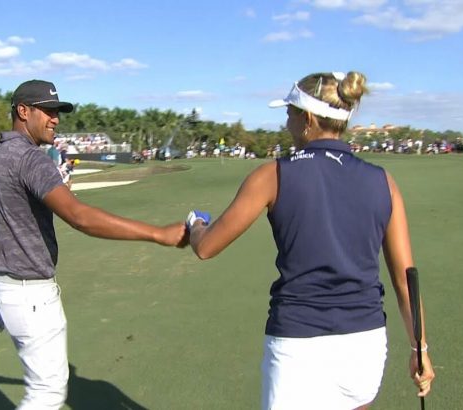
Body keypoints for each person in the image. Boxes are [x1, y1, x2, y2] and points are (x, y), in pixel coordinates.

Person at [185, 71, 435, 410]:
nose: (286, 123)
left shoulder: (272, 175)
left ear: (310, 119)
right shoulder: (383, 181)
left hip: (298, 346)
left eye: (289, 113)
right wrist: (420, 350)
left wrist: (196, 223)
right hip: (364, 345)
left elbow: (206, 247)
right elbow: (406, 280)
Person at [0, 79, 187, 410]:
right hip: (29, 295)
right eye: (47, 111)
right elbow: (80, 217)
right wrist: (158, 233)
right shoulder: (32, 160)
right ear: (23, 111)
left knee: (41, 388)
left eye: (57, 112)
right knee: (46, 393)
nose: (55, 119)